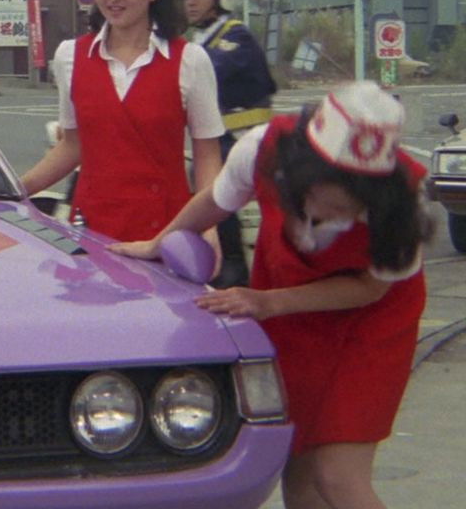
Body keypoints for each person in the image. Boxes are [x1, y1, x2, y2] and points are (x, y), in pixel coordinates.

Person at [112, 81, 431, 509]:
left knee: (337, 475)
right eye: (328, 202)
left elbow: (370, 288)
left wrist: (270, 302)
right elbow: (215, 202)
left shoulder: (405, 202)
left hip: (370, 320)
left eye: (351, 209)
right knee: (296, 462)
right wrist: (159, 242)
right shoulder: (262, 149)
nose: (336, 217)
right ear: (305, 175)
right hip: (285, 304)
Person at [19, 0, 226, 243]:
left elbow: (206, 154)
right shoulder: (71, 57)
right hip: (90, 232)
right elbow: (73, 145)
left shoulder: (189, 61)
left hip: (166, 234)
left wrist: (209, 229)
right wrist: (17, 189)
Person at [176, 0, 278, 288]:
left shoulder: (235, 37)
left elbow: (203, 72)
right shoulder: (201, 39)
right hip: (221, 136)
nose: (191, 2)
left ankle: (232, 263)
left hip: (243, 138)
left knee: (215, 186)